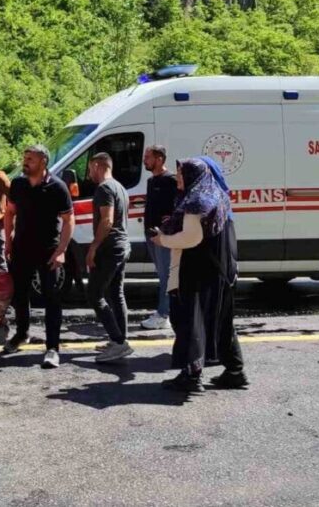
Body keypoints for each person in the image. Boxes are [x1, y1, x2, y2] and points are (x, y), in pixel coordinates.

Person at [151, 157, 246, 393]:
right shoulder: (217, 195)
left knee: (190, 321)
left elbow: (191, 237)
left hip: (197, 273)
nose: (178, 178)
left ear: (194, 175)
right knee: (222, 322)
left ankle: (192, 376)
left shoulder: (197, 200)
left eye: (182, 174)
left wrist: (162, 240)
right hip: (222, 271)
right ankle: (235, 371)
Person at [3, 145, 74, 369]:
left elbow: (68, 220)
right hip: (21, 248)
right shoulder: (18, 184)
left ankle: (52, 348)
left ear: (43, 161)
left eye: (30, 159)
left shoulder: (57, 187)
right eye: (25, 158)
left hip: (48, 250)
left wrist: (61, 251)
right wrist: (8, 240)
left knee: (51, 297)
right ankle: (21, 334)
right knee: (20, 295)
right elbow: (10, 212)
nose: (25, 162)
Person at [86, 153, 134, 363]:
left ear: (97, 165)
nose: (89, 174)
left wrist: (93, 248)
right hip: (122, 245)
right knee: (116, 293)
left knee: (95, 294)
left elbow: (107, 221)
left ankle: (119, 342)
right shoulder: (120, 187)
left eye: (89, 169)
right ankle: (119, 340)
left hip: (110, 247)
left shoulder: (104, 188)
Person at [141, 145, 178, 331]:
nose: (144, 160)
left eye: (148, 157)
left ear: (160, 159)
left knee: (166, 276)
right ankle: (163, 313)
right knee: (161, 275)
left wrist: (166, 228)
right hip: (151, 235)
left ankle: (164, 315)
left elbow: (176, 208)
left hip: (163, 236)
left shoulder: (170, 180)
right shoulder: (151, 181)